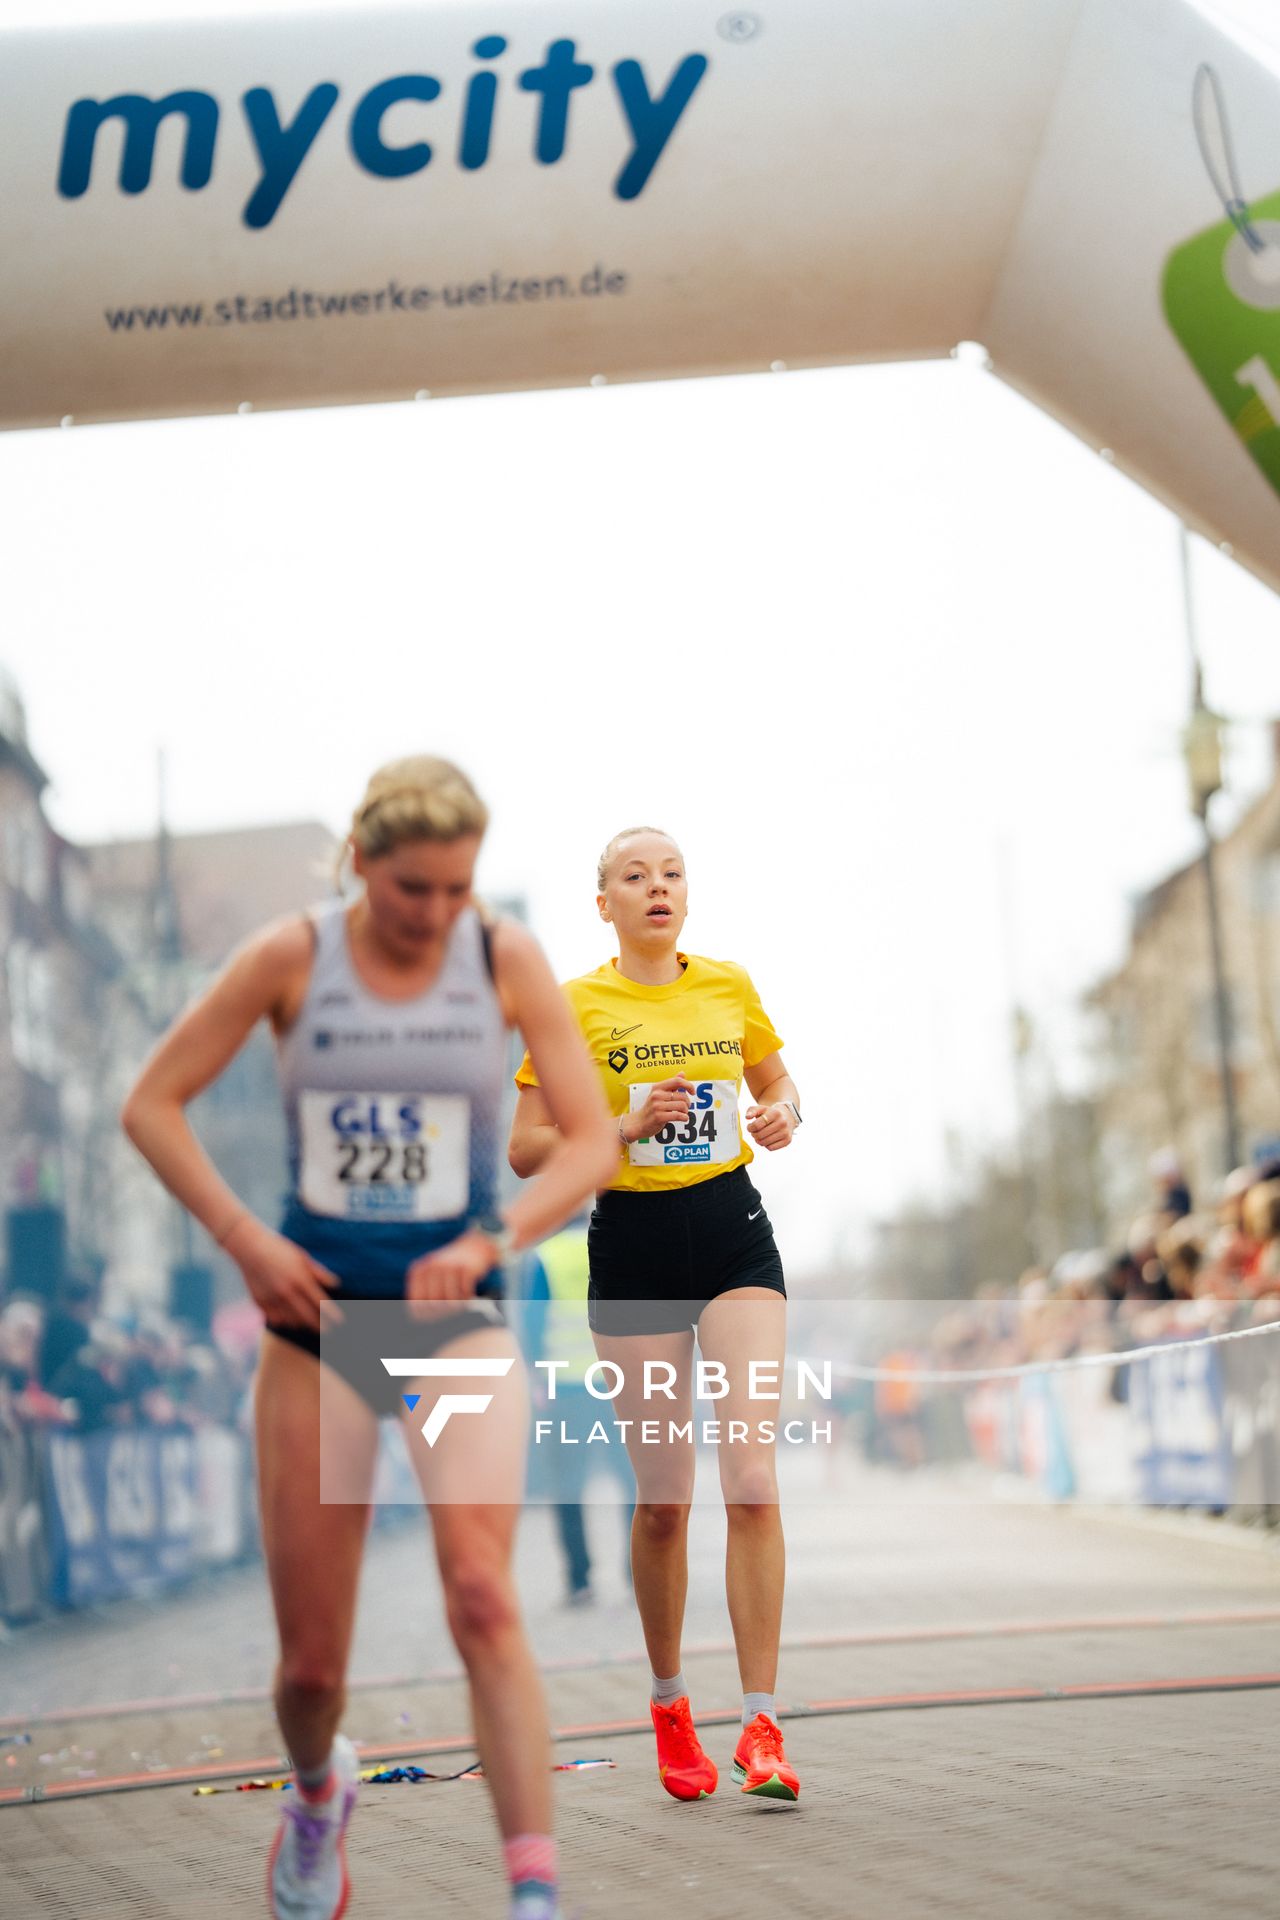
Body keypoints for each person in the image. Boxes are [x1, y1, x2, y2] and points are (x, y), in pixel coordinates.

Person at [122, 756, 615, 1920]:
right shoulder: (294, 957)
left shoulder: (502, 958)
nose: (437, 915)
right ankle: (314, 1793)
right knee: (311, 1669)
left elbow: (589, 1144)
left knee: (483, 1595)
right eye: (412, 891)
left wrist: (493, 1234)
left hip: (456, 1325)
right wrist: (247, 1241)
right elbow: (150, 1102)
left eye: (457, 888)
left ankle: (533, 1891)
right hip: (319, 1327)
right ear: (359, 862)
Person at [509, 826, 803, 1803]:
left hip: (729, 1232)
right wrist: (621, 1125)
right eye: (634, 877)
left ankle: (761, 1724)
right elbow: (524, 1146)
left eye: (671, 873)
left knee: (752, 1479)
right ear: (603, 903)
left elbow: (776, 1082)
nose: (656, 888)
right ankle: (670, 1701)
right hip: (632, 1242)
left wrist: (781, 1115)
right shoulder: (574, 1006)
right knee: (664, 1502)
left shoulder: (726, 985)